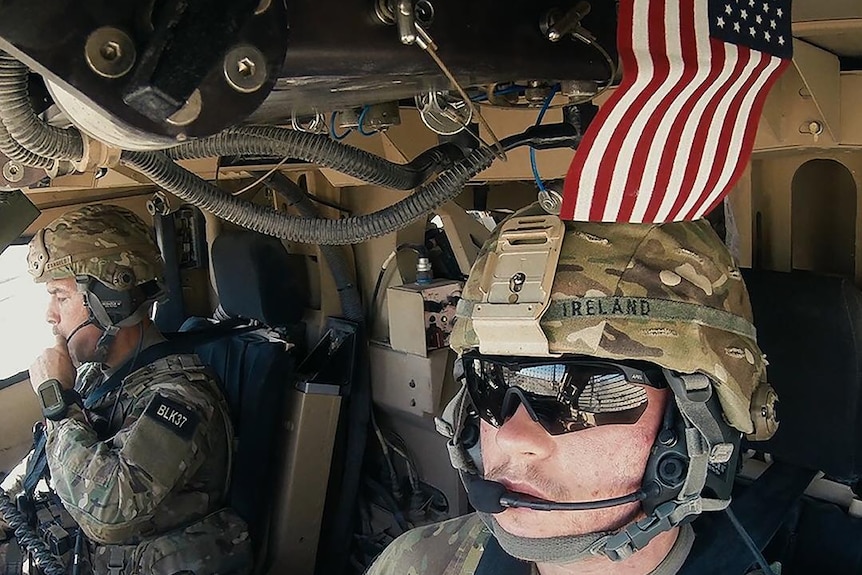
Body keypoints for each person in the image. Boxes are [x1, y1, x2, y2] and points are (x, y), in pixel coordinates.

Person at [366, 204, 779, 575]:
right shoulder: (415, 563)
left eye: (590, 391)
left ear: (695, 429)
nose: (512, 437)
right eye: (489, 383)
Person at [0, 204, 252, 575]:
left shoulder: (182, 396)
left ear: (111, 299)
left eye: (61, 296)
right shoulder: (96, 375)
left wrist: (58, 404)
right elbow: (52, 453)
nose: (49, 315)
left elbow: (110, 510)